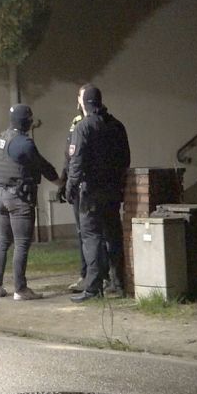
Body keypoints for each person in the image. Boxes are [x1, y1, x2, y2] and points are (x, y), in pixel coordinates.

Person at [65, 85, 130, 302]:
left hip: (91, 191)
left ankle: (93, 288)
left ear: (84, 103)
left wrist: (70, 188)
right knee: (113, 236)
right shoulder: (117, 126)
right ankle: (119, 282)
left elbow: (76, 162)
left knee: (91, 237)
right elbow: (125, 159)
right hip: (112, 191)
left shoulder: (83, 127)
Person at [0, 104, 61, 301]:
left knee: (3, 240)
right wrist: (60, 182)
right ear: (26, 121)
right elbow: (43, 166)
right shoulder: (23, 143)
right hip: (18, 197)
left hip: (0, 194)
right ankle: (20, 289)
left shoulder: (0, 138)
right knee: (21, 243)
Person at [57, 92, 85, 292]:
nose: (78, 100)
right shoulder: (76, 122)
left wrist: (68, 183)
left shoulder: (89, 124)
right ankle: (87, 274)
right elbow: (69, 155)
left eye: (81, 96)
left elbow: (75, 158)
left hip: (87, 187)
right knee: (83, 232)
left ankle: (93, 276)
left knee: (91, 233)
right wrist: (63, 181)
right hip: (78, 186)